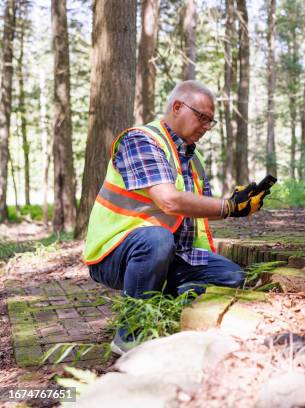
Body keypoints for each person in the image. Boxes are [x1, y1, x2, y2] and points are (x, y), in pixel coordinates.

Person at [83, 80, 268, 355]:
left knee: (232, 276)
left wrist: (238, 204)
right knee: (156, 239)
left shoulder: (193, 161)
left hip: (172, 253)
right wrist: (228, 206)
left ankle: (166, 319)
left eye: (210, 121)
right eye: (202, 117)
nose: (206, 127)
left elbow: (198, 208)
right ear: (177, 107)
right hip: (115, 253)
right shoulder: (140, 140)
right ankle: (132, 337)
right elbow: (168, 200)